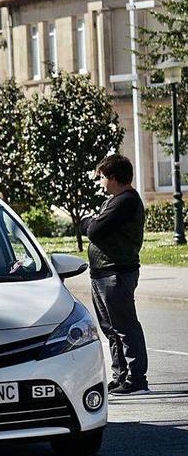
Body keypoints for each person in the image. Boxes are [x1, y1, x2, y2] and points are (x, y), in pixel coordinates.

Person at [80, 154, 149, 396]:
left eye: (102, 178)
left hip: (116, 273)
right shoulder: (114, 200)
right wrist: (91, 222)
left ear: (113, 177)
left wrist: (91, 221)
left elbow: (94, 230)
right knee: (110, 328)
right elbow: (90, 225)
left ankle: (137, 379)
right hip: (102, 273)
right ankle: (121, 376)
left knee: (125, 327)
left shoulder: (125, 201)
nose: (100, 183)